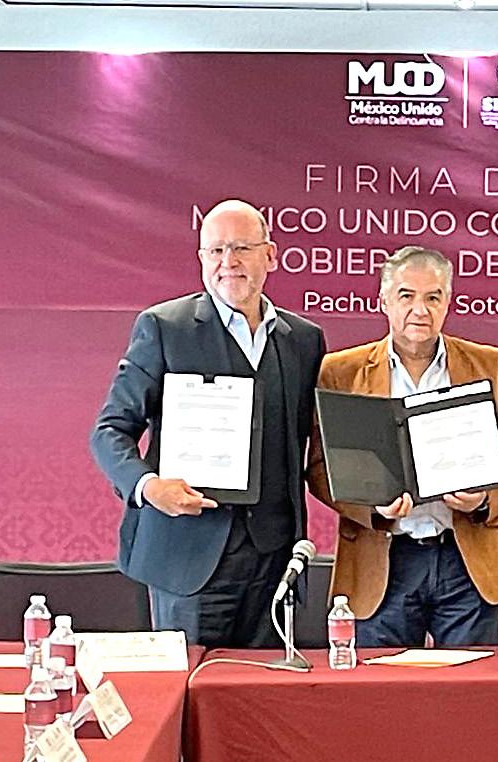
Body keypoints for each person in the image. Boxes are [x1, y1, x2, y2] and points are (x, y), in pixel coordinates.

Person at [90, 199, 325, 647]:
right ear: (201, 259)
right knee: (191, 688)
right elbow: (110, 430)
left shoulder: (304, 340)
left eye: (241, 248)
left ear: (270, 255)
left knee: (265, 688)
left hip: (274, 561)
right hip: (188, 557)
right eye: (216, 250)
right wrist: (148, 487)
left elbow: (310, 443)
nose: (228, 262)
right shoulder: (165, 328)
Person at [306, 245, 498, 647]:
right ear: (383, 301)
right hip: (382, 560)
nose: (420, 310)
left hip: (467, 562)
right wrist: (372, 508)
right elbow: (320, 468)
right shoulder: (341, 371)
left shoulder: (488, 363)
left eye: (433, 297)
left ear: (448, 302)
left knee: (470, 684)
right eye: (406, 296)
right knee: (383, 685)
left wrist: (484, 500)